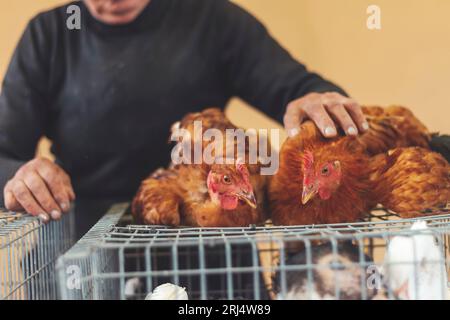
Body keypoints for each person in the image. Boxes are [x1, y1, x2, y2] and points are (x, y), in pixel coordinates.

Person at [0, 0, 368, 237]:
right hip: (88, 245)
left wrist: (315, 97)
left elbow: (297, 87)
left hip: (207, 242)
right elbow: (4, 153)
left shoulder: (212, 20)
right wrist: (18, 176)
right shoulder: (49, 36)